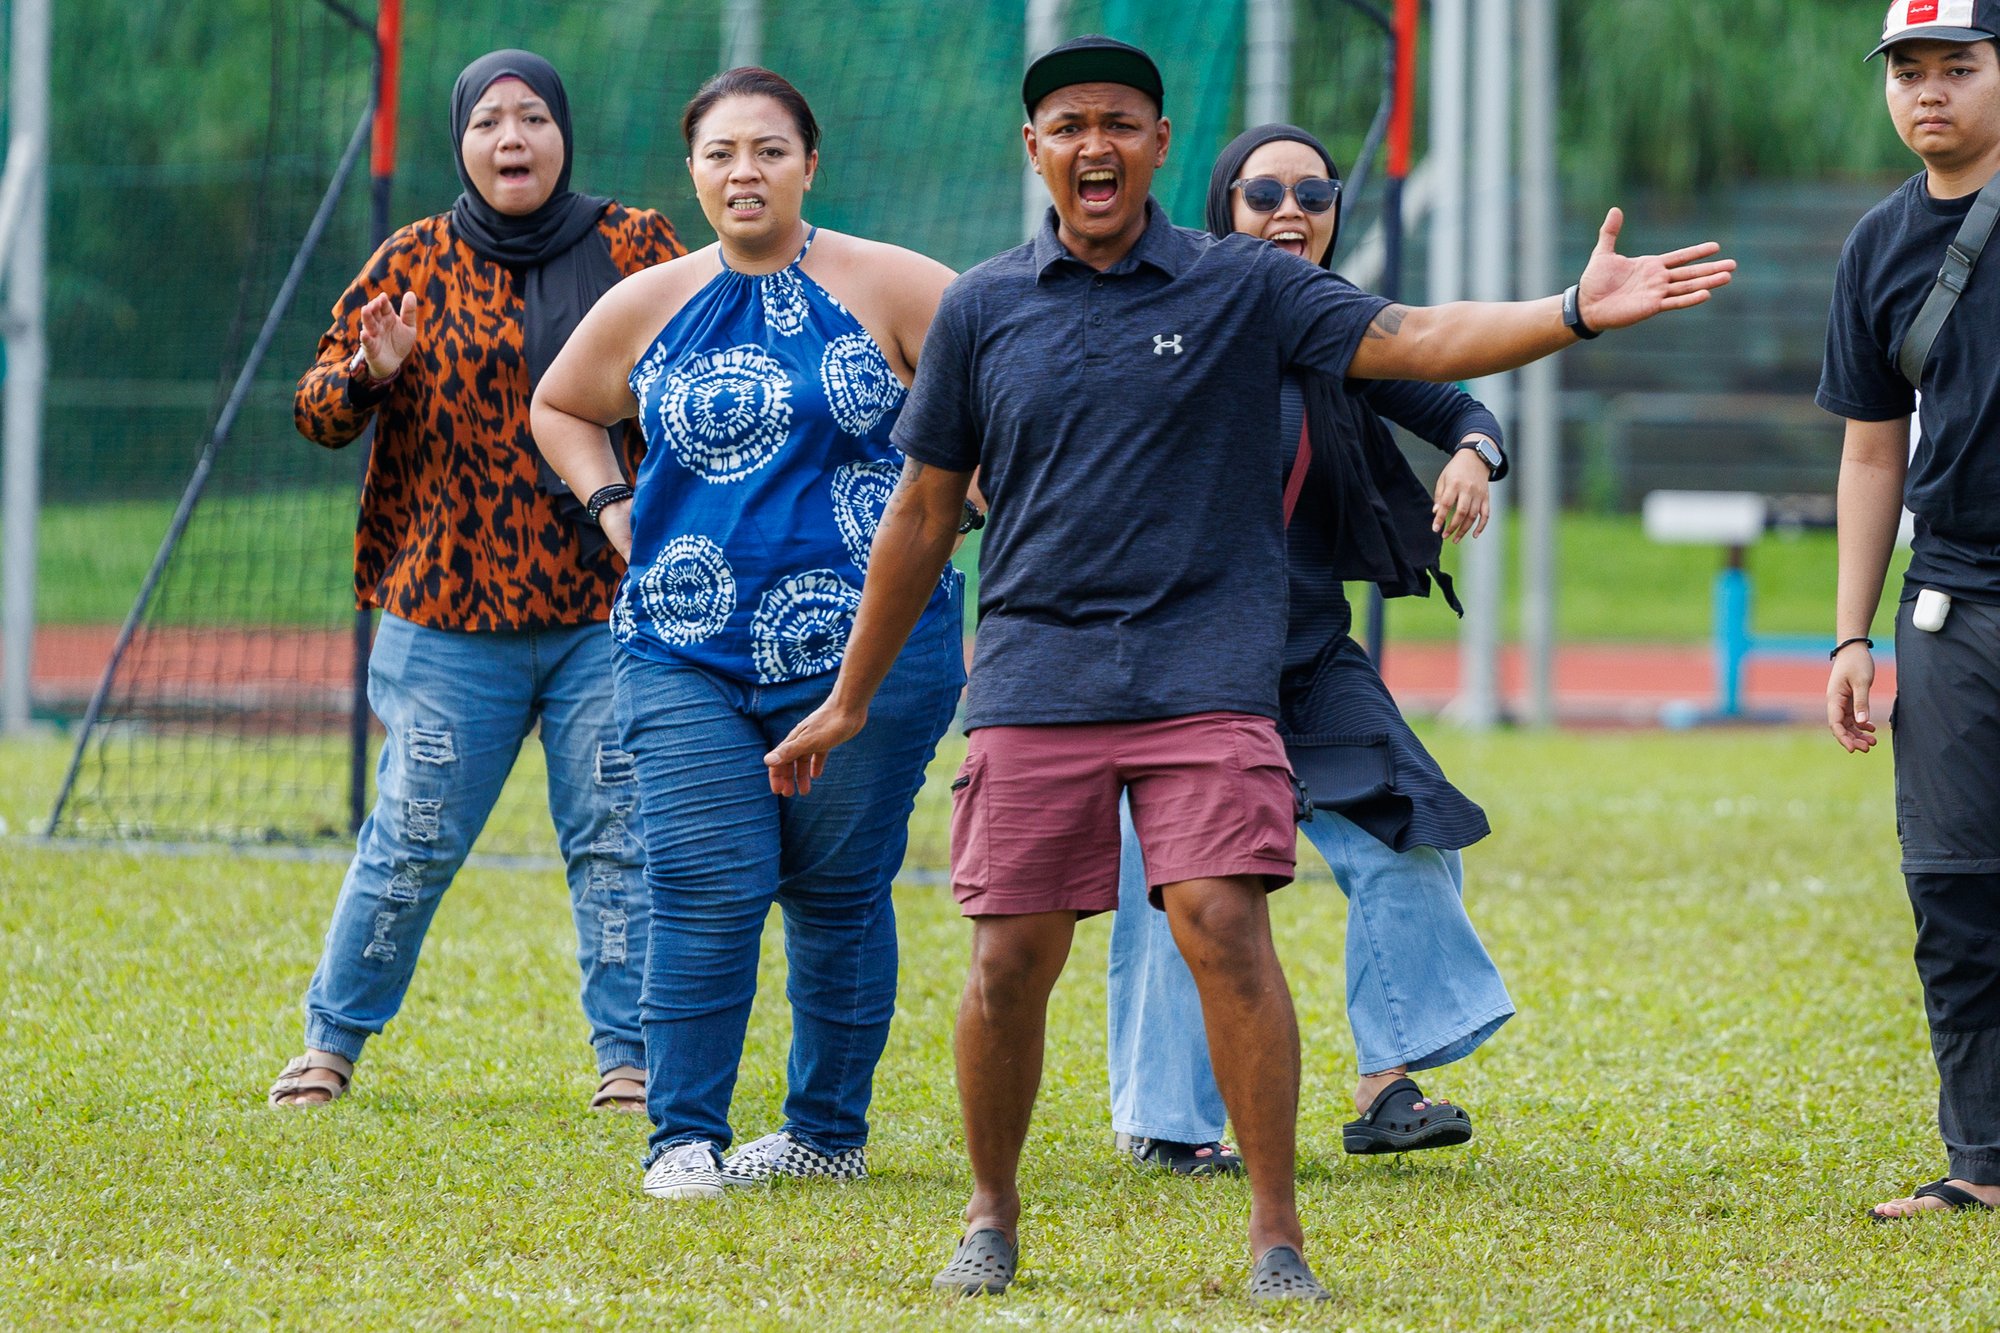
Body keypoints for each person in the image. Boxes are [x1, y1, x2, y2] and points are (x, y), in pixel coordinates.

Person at [765, 35, 1730, 1302]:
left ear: (1160, 146)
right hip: (1037, 678)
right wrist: (849, 690)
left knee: (1223, 923)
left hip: (1204, 678)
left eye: (1120, 121)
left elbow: (1415, 336)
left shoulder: (1243, 287)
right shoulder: (984, 307)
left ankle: (1277, 1236)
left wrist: (1566, 312)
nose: (1094, 144)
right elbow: (922, 512)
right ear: (1034, 149)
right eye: (1068, 125)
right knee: (1009, 962)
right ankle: (989, 1212)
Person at [531, 68, 967, 1202]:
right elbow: (561, 402)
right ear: (692, 169)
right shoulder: (652, 299)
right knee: (703, 878)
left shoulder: (897, 284)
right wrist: (610, 509)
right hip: (681, 646)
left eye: (769, 151)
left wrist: (979, 500)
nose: (744, 173)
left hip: (872, 648)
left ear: (808, 164)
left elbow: (1010, 394)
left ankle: (826, 1131)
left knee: (837, 887)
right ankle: (682, 1136)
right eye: (721, 152)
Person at [268, 51, 685, 1112]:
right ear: (461, 141)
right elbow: (316, 410)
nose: (513, 139)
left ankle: (629, 1063)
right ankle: (330, 1044)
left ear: (563, 133)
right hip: (449, 617)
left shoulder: (636, 246)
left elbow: (707, 365)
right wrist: (374, 370)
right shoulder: (411, 260)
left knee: (617, 840)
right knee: (410, 835)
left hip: (608, 608)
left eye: (533, 118)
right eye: (491, 121)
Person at [1106, 124, 1514, 1179]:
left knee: (1410, 829)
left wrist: (1473, 451)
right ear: (1221, 208)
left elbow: (1459, 392)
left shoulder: (1341, 333)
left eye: (1313, 191)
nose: (1291, 209)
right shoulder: (1166, 319)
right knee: (1182, 888)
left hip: (1305, 654)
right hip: (1178, 664)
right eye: (1264, 192)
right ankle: (1171, 1121)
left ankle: (1389, 1082)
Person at [1821, 0, 2000, 1222]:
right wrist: (1849, 631)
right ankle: (1980, 1165)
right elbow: (1870, 454)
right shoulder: (1877, 246)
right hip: (1952, 604)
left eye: (1958, 67)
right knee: (1951, 890)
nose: (1927, 91)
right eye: (1907, 72)